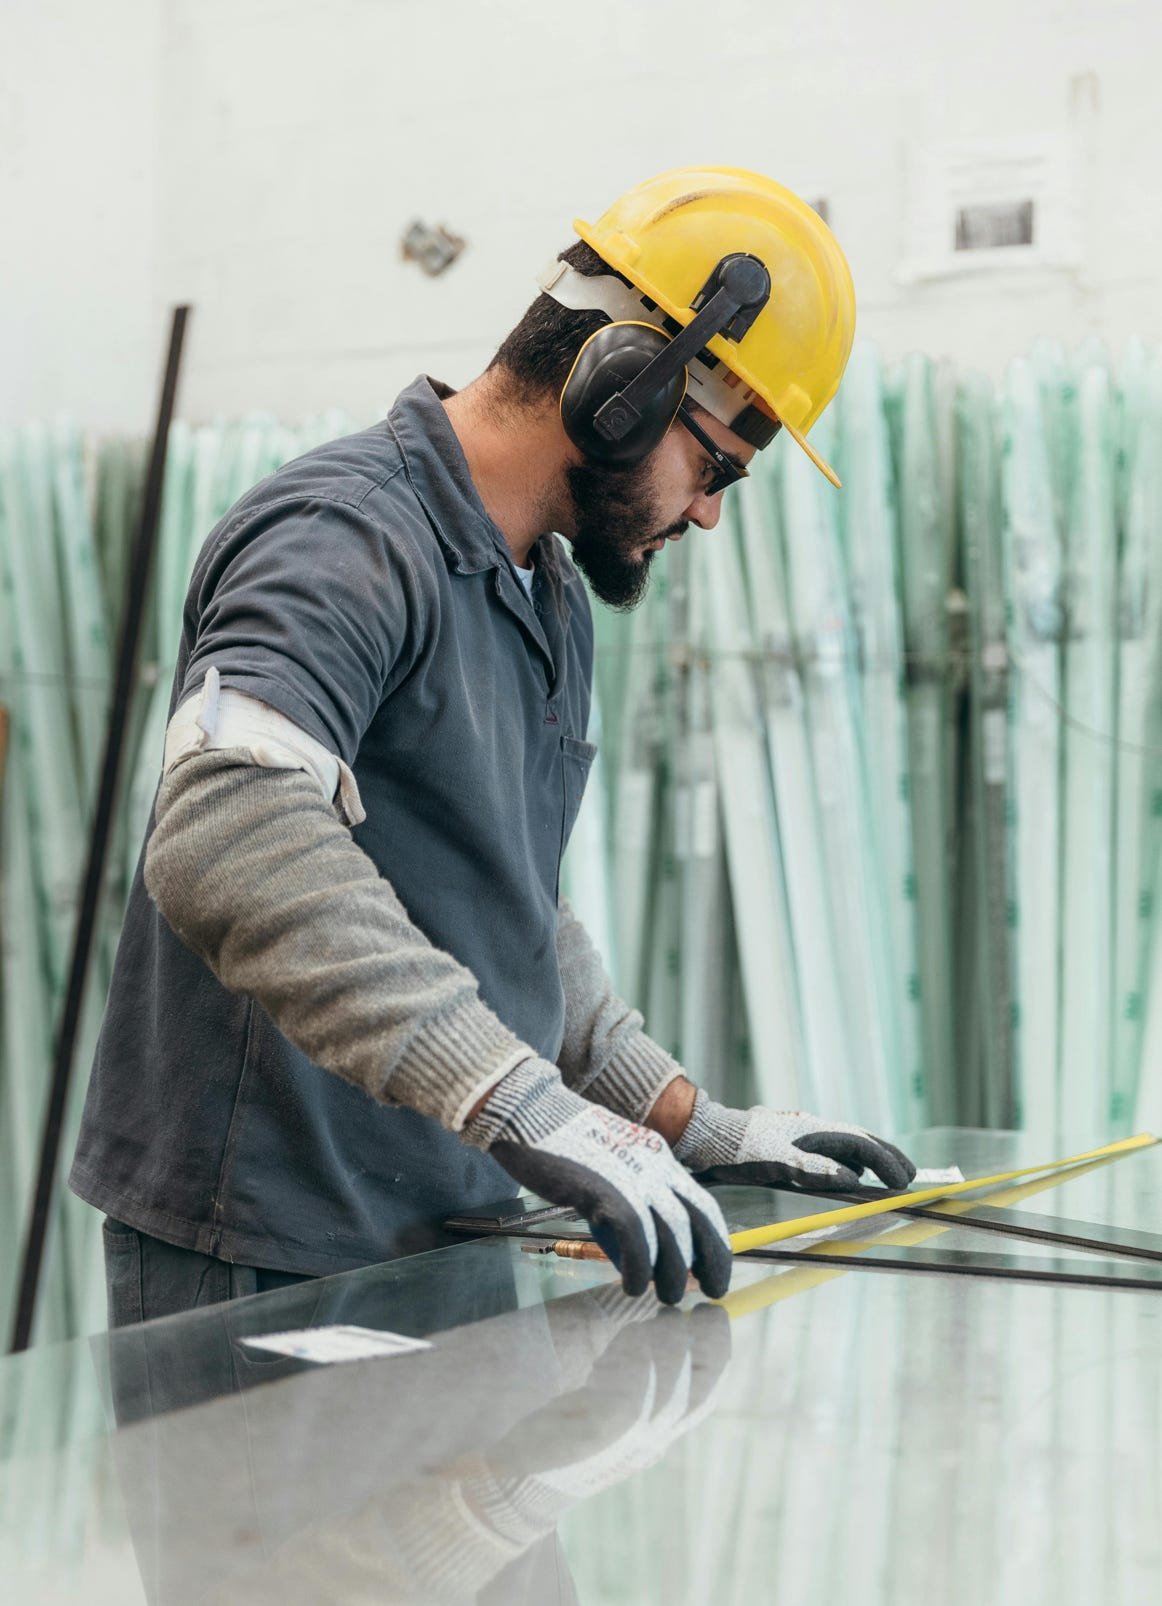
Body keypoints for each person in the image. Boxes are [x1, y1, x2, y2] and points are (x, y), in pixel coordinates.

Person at [70, 165, 916, 1324]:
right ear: (623, 382)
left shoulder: (546, 594)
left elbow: (499, 903)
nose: (711, 511)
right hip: (269, 1237)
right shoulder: (346, 537)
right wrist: (522, 1104)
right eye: (714, 464)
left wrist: (683, 1118)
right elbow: (225, 829)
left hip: (440, 1224)